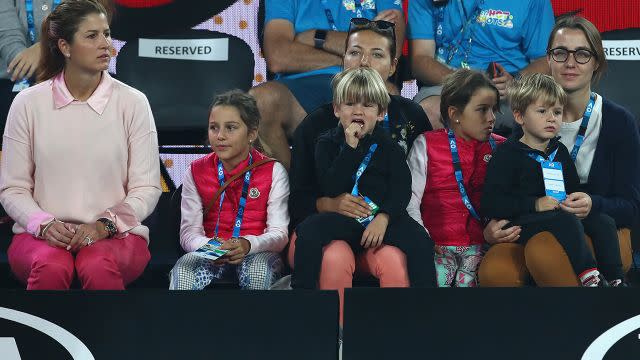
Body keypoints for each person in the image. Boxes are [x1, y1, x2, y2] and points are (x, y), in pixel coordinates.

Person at [0, 0, 161, 290]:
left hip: (118, 235)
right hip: (38, 235)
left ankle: (112, 336)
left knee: (97, 264)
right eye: (92, 36)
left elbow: (147, 189)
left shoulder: (134, 103)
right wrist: (45, 225)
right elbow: (13, 189)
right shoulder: (27, 103)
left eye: (107, 34)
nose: (106, 45)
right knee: (50, 266)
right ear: (65, 47)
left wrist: (105, 225)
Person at [287, 19, 431, 322]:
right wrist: (327, 203)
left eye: (376, 54)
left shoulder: (408, 118)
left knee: (409, 249)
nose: (363, 62)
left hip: (380, 220)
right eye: (355, 52)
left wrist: (385, 216)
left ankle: (422, 323)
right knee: (329, 251)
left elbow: (407, 185)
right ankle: (307, 321)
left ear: (393, 66)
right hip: (332, 224)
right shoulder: (317, 129)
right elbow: (303, 198)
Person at [480, 16, 640, 287]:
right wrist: (490, 229)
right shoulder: (518, 120)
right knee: (497, 272)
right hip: (532, 221)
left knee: (545, 253)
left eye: (582, 54)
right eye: (560, 52)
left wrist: (593, 204)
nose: (570, 62)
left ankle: (597, 315)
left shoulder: (619, 122)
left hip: (597, 223)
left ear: (597, 61)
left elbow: (631, 207)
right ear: (549, 59)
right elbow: (501, 191)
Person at [481, 73, 608, 287]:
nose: (552, 118)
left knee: (604, 222)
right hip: (521, 222)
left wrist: (574, 201)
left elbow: (572, 188)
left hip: (559, 216)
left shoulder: (560, 151)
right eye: (542, 111)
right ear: (520, 116)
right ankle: (589, 275)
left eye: (557, 112)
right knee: (565, 220)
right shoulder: (506, 154)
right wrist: (535, 204)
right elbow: (491, 204)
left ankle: (615, 280)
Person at [251, 0, 404, 168]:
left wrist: (319, 37)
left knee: (389, 95)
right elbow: (279, 57)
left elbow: (389, 49)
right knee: (259, 101)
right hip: (299, 88)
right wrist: (354, 56)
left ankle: (370, 190)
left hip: (363, 82)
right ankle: (290, 189)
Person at [169, 90, 288, 290]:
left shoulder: (274, 171)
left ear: (252, 133)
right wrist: (212, 249)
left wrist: (247, 245)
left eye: (231, 128)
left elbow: (279, 234)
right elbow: (188, 233)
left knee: (257, 271)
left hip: (257, 252)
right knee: (183, 270)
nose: (220, 136)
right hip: (212, 252)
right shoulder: (195, 170)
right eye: (213, 128)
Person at [407, 69, 505, 287]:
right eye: (482, 110)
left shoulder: (502, 147)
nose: (492, 118)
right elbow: (411, 199)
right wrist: (423, 239)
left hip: (483, 247)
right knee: (436, 290)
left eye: (494, 109)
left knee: (471, 295)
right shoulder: (426, 144)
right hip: (436, 245)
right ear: (455, 113)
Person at [408, 0, 554, 134]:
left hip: (506, 88)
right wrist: (465, 83)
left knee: (537, 116)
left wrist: (515, 82)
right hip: (450, 82)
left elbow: (545, 60)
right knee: (429, 111)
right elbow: (420, 60)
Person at [0, 0, 61, 138]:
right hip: (12, 81)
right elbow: (8, 39)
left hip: (66, 75)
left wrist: (45, 48)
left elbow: (80, 30)